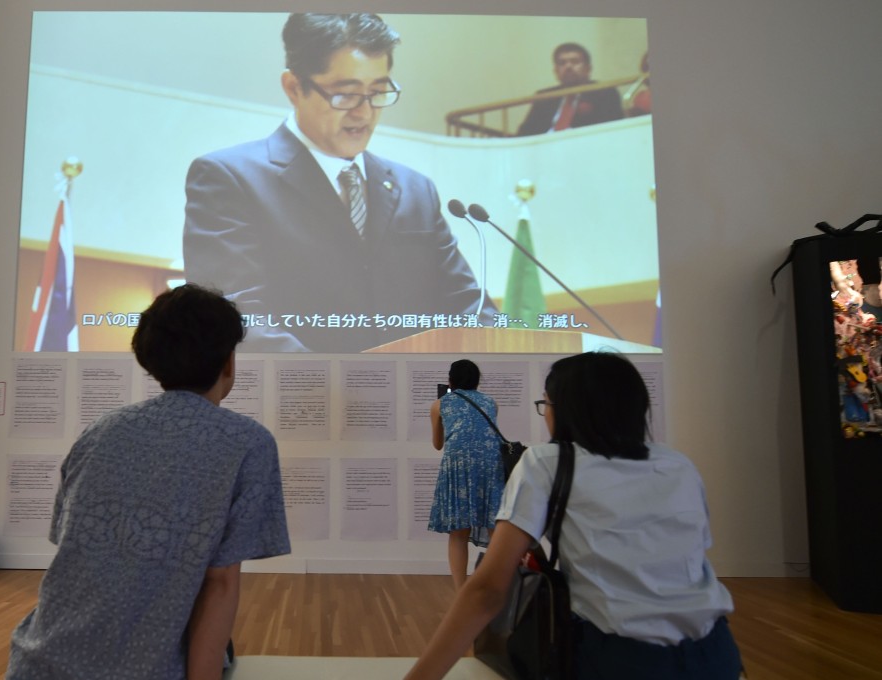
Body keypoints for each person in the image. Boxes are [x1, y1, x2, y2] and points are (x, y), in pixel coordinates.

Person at [6, 284, 291, 680]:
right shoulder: (248, 443)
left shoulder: (102, 430)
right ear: (228, 362)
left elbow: (68, 541)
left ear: (151, 359)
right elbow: (220, 584)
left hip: (37, 661)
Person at [406, 352, 743, 680]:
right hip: (716, 653)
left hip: (619, 657)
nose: (546, 414)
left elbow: (487, 591)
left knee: (459, 537)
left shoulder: (546, 462)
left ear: (567, 409)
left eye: (546, 405)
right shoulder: (678, 464)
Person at [183, 13, 495, 354]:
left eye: (378, 92)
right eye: (346, 94)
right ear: (293, 87)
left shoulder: (415, 190)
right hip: (300, 399)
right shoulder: (229, 179)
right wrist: (343, 381)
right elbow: (236, 317)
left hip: (412, 399)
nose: (364, 112)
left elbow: (470, 307)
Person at [427, 360, 505, 590]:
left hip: (458, 467)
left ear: (450, 380)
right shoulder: (491, 402)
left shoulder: (439, 404)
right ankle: (496, 588)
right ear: (476, 380)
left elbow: (438, 444)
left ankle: (461, 591)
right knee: (495, 531)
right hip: (490, 466)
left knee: (458, 533)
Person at [516, 42, 624, 136]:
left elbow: (611, 131)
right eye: (562, 63)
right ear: (556, 71)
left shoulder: (604, 92)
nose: (568, 66)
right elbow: (525, 133)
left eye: (575, 62)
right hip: (545, 150)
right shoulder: (544, 96)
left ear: (588, 68)